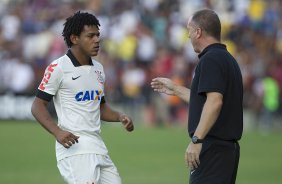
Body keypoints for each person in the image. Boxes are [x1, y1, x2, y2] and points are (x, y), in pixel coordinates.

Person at [31, 11, 134, 184]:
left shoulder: (98, 69)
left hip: (98, 146)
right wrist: (57, 132)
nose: (97, 40)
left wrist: (120, 117)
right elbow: (37, 106)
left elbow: (100, 107)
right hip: (74, 148)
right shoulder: (58, 67)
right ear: (74, 38)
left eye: (98, 35)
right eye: (90, 36)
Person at [151, 9, 243, 184]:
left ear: (198, 32)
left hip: (213, 148)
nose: (188, 36)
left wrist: (197, 139)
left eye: (189, 30)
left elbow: (215, 102)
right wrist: (176, 89)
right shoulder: (227, 59)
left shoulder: (211, 59)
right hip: (225, 151)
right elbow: (207, 100)